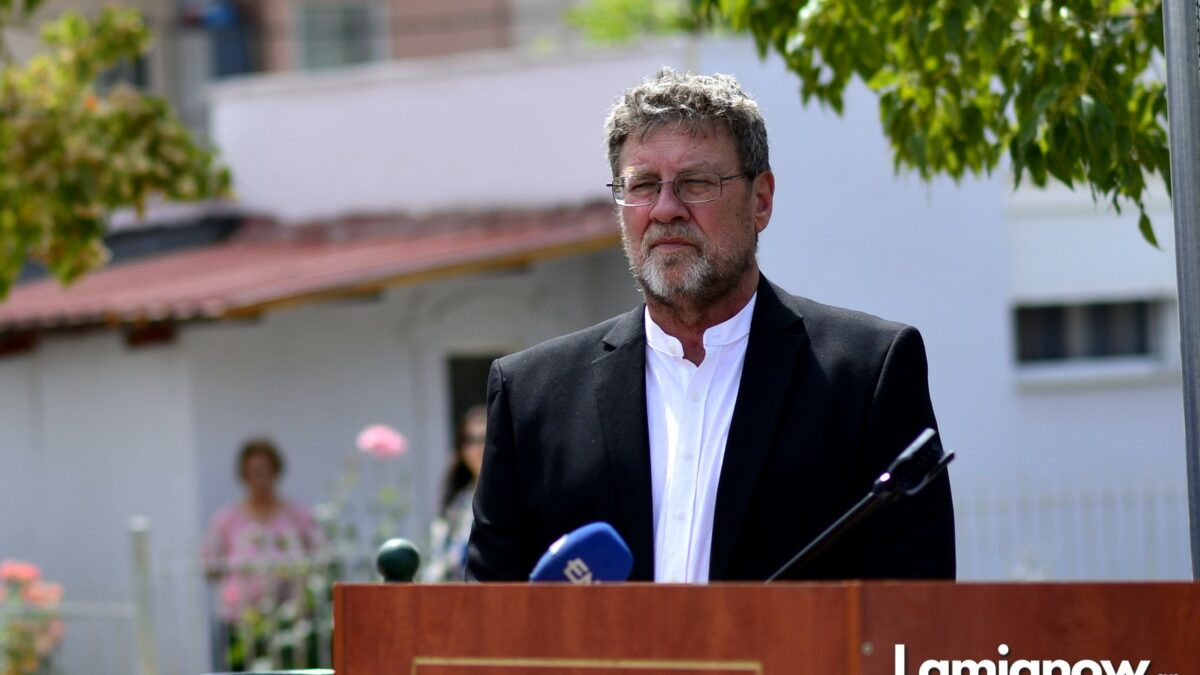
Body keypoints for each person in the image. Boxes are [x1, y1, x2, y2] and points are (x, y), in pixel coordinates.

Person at [466, 69, 955, 583]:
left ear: (760, 200)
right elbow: (484, 611)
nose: (665, 209)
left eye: (696, 183)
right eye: (642, 185)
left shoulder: (866, 374)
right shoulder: (531, 396)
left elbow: (915, 604)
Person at [202, 439, 322, 624]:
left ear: (276, 473)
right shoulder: (226, 520)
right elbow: (210, 564)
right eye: (255, 472)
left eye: (266, 471)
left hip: (289, 615)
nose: (261, 479)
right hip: (239, 618)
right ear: (245, 476)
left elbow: (319, 556)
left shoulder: (297, 515)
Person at [419, 405, 487, 582]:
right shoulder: (456, 501)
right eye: (470, 440)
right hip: (454, 589)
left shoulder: (511, 497)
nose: (478, 447)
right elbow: (439, 556)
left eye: (484, 439)